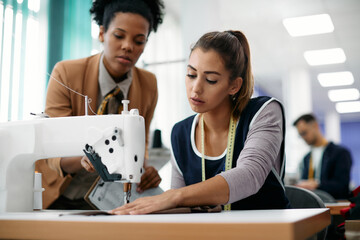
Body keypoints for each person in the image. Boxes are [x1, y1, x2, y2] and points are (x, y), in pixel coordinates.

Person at [110, 30, 290, 215]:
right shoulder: (180, 132)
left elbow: (250, 175)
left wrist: (174, 197)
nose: (196, 89)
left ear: (234, 85)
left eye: (211, 80)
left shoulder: (264, 112)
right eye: (191, 74)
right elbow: (183, 207)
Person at [35, 0, 165, 209]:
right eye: (119, 36)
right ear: (102, 33)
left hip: (109, 201)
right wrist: (86, 159)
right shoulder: (66, 73)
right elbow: (52, 153)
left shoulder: (149, 84)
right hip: (59, 196)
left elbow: (141, 145)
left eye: (139, 41)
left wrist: (144, 170)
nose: (128, 46)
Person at [293, 113, 352, 199]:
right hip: (312, 206)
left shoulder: (340, 153)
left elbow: (342, 186)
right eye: (300, 135)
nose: (303, 137)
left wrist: (317, 185)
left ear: (315, 126)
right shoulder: (307, 158)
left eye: (304, 132)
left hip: (335, 206)